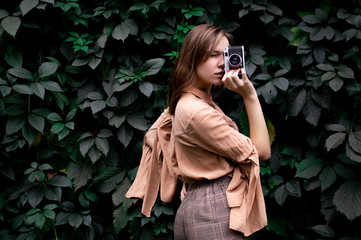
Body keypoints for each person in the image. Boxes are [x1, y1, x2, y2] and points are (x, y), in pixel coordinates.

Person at [126, 24, 271, 239]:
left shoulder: (186, 102)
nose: (222, 63)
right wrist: (249, 95)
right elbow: (261, 151)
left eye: (225, 54)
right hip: (214, 209)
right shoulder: (196, 111)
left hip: (200, 205)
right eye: (213, 55)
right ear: (192, 57)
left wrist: (191, 168)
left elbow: (157, 133)